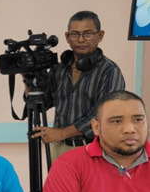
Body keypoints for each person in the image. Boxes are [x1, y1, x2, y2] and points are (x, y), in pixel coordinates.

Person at [32, 10, 125, 160]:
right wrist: (28, 77)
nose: (81, 39)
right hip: (59, 148)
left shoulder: (109, 71)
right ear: (67, 37)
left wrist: (62, 133)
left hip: (94, 149)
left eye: (87, 34)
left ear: (100, 35)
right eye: (75, 34)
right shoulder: (60, 69)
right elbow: (42, 103)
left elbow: (104, 115)